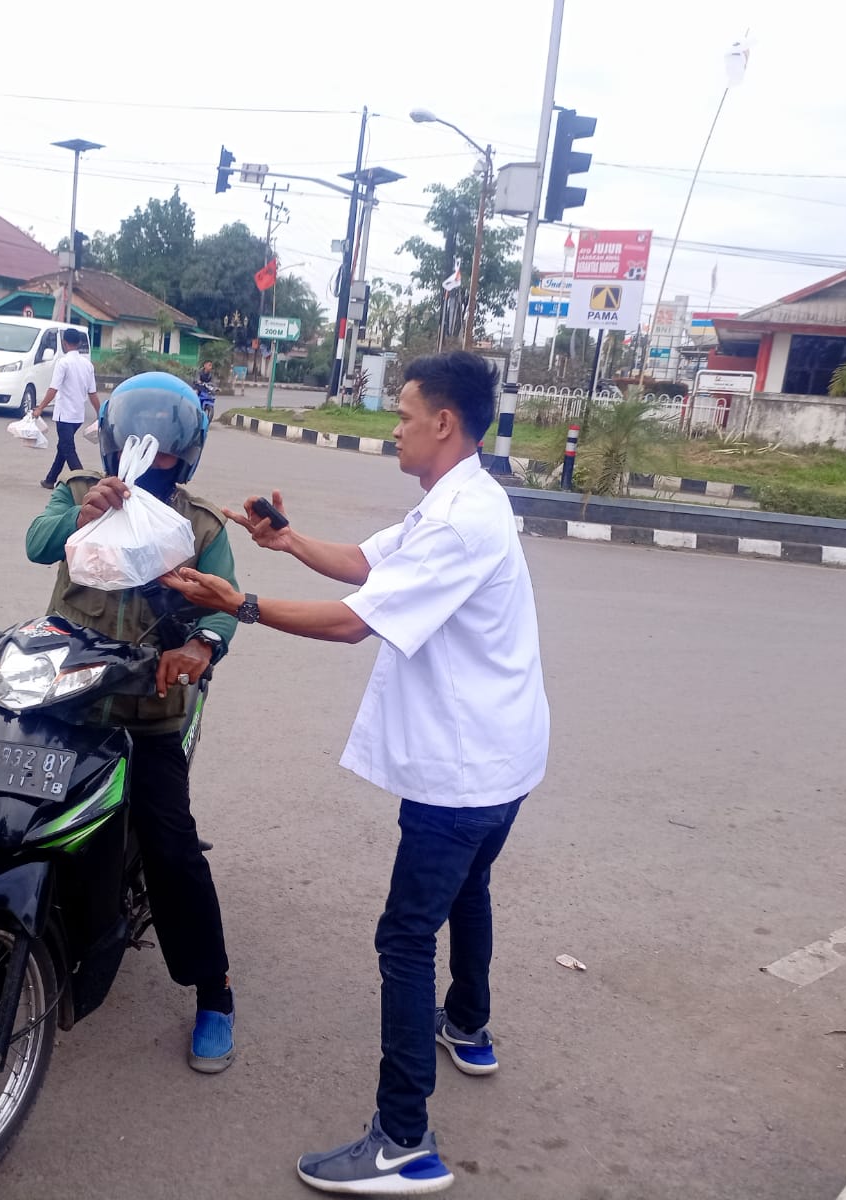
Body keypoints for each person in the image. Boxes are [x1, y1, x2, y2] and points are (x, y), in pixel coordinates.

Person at [164, 351, 550, 1195]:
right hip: (500, 759)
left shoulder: (457, 520)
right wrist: (286, 539)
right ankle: (470, 1029)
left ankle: (404, 1140)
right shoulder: (461, 498)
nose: (395, 427)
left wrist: (242, 605)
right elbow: (370, 567)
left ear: (443, 422)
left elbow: (351, 625)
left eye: (404, 414)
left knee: (405, 936)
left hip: (462, 770)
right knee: (467, 893)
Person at [24, 371, 241, 1072]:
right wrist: (84, 512)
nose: (153, 462)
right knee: (6, 807)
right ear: (113, 443)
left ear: (186, 455)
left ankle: (215, 991)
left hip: (148, 713)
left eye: (168, 452)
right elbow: (38, 543)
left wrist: (200, 645)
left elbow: (221, 605)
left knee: (171, 848)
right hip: (66, 700)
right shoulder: (78, 491)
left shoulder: (198, 526)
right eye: (138, 445)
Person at [33, 327, 100, 489]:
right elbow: (93, 393)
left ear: (64, 343)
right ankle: (50, 479)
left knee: (68, 448)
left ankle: (84, 483)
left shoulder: (63, 363)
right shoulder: (87, 365)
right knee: (63, 446)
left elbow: (53, 389)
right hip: (78, 416)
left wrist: (40, 408)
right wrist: (100, 413)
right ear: (79, 343)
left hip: (64, 415)